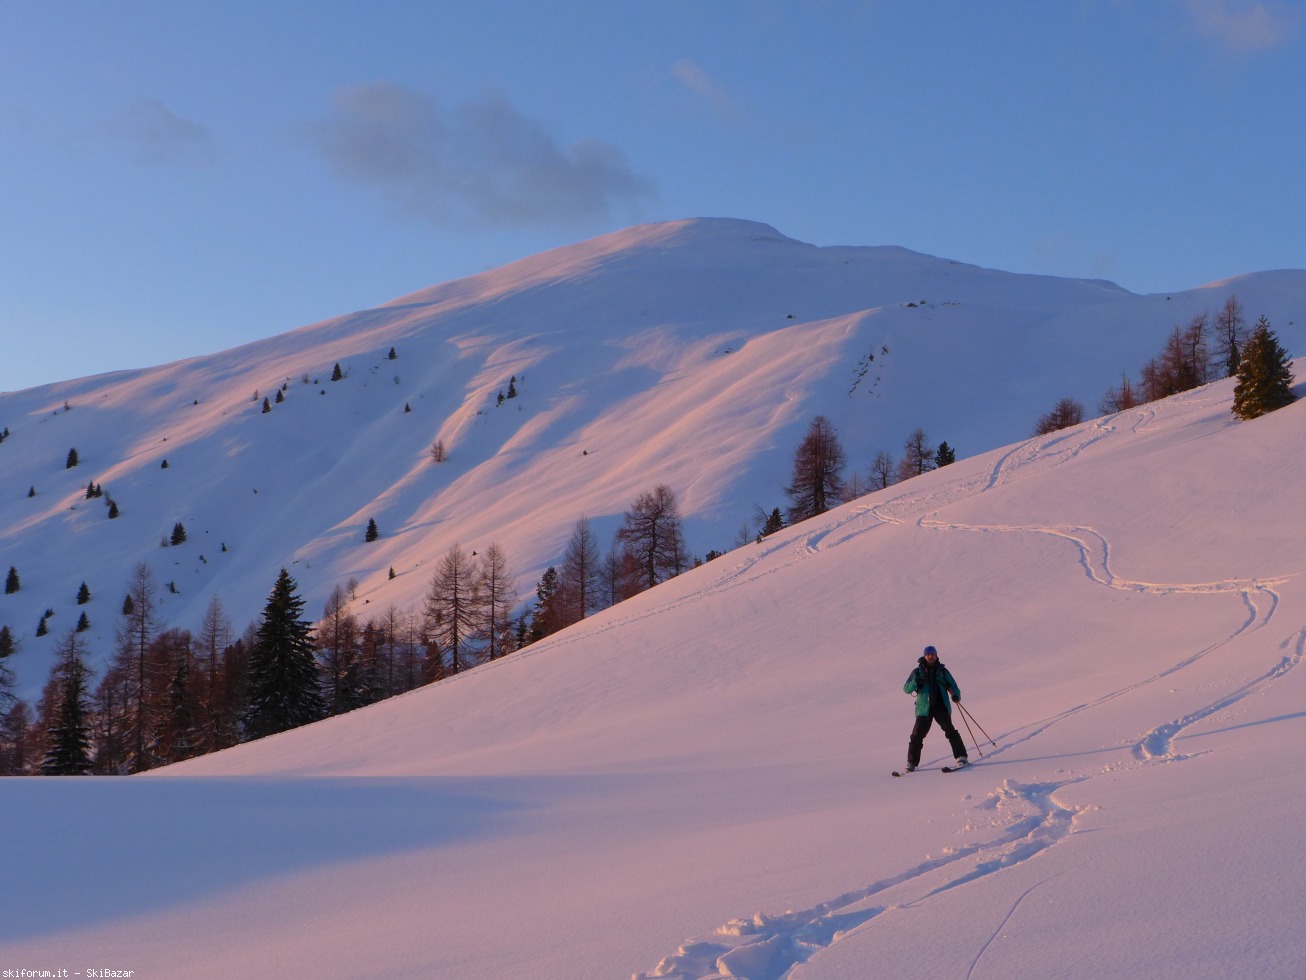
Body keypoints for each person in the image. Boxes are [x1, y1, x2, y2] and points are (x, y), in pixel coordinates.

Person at [902, 645, 968, 771]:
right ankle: (911, 763)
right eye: (928, 654)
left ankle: (961, 756)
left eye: (932, 654)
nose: (930, 656)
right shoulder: (917, 672)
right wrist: (916, 682)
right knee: (916, 736)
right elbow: (906, 689)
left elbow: (953, 685)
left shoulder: (943, 671)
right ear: (924, 656)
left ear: (936, 656)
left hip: (940, 707)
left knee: (950, 731)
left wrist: (956, 696)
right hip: (923, 709)